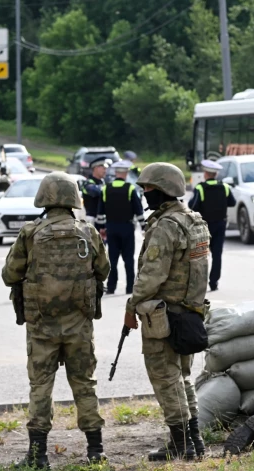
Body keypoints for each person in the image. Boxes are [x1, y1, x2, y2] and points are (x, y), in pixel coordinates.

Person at [1, 171, 111, 469]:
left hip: (41, 327)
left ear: (44, 198)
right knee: (85, 384)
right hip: (79, 325)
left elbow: (9, 274)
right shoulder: (87, 232)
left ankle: (38, 455)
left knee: (41, 387)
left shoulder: (30, 233)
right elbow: (104, 270)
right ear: (74, 199)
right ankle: (95, 450)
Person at [123, 162, 211, 461]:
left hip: (165, 315)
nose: (145, 193)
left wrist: (132, 305)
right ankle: (194, 441)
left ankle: (183, 444)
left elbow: (152, 275)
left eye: (148, 188)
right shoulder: (194, 220)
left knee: (165, 377)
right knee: (182, 377)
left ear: (162, 190)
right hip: (190, 313)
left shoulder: (165, 226)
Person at [95, 160, 146, 295]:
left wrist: (101, 228)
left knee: (112, 259)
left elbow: (100, 211)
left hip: (111, 228)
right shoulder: (130, 189)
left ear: (116, 173)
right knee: (128, 259)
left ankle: (111, 287)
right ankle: (130, 288)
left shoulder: (106, 188)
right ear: (126, 173)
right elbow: (138, 210)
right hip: (127, 228)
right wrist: (144, 227)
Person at [188, 159, 236, 291]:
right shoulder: (225, 187)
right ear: (215, 174)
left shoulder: (200, 188)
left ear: (206, 174)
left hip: (204, 226)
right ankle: (214, 282)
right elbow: (232, 202)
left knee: (201, 255)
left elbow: (192, 206)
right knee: (217, 254)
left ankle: (201, 282)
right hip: (220, 224)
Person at [82, 157, 109, 226]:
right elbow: (96, 192)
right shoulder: (88, 183)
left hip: (102, 219)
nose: (105, 171)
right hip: (91, 220)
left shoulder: (103, 183)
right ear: (96, 168)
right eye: (104, 168)